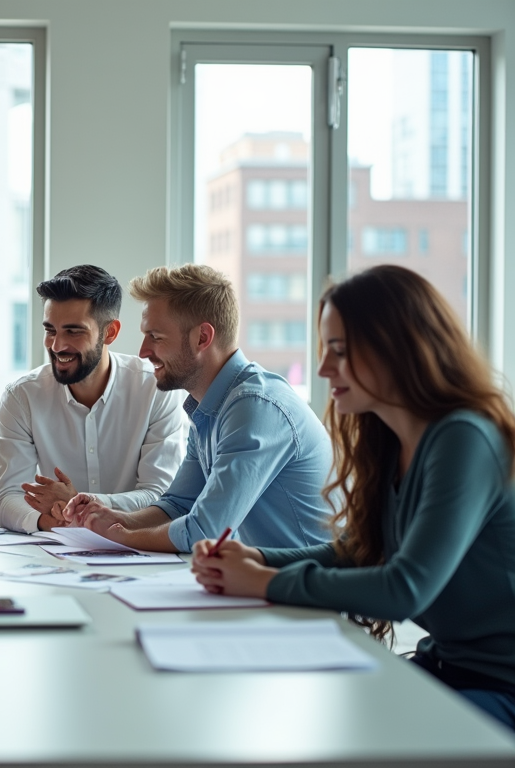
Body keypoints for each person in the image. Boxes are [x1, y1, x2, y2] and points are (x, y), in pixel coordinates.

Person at [191, 265, 515, 731]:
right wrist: (255, 558)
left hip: (498, 687)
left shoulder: (463, 438)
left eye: (339, 352)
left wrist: (260, 582)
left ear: (398, 349)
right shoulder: (391, 440)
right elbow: (361, 552)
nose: (323, 369)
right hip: (447, 668)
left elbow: (404, 589)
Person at [65, 263, 332, 551]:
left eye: (155, 336)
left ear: (202, 338)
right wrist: (116, 519)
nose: (142, 351)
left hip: (308, 588)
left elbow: (204, 531)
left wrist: (122, 537)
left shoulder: (254, 408)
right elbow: (179, 505)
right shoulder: (209, 407)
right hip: (265, 583)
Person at [0, 264, 189, 533]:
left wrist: (85, 504)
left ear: (110, 332)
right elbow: (5, 498)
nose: (57, 345)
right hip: (57, 551)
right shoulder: (21, 397)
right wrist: (43, 521)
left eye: (73, 331)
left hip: (137, 546)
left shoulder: (155, 389)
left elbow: (161, 496)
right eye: (50, 330)